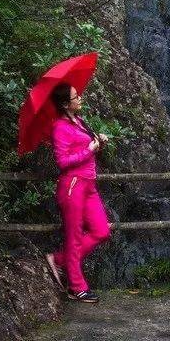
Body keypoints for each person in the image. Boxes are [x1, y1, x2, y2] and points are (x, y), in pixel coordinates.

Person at [45, 82, 111, 303]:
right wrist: (88, 150)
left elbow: (86, 151)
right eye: (75, 96)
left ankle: (58, 259)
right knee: (73, 238)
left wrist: (97, 143)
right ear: (65, 104)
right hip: (72, 185)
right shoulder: (60, 127)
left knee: (101, 231)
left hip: (89, 185)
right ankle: (76, 287)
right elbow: (62, 162)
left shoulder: (79, 122)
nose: (80, 98)